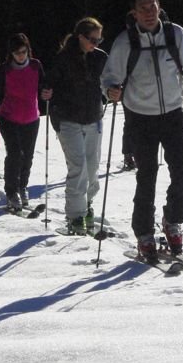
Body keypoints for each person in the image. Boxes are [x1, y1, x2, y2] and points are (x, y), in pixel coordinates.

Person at [101, 0, 183, 261]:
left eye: (152, 6)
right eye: (143, 8)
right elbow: (108, 79)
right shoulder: (125, 42)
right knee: (146, 175)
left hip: (174, 114)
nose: (149, 13)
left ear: (159, 6)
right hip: (140, 118)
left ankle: (172, 220)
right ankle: (143, 234)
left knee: (181, 173)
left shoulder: (176, 35)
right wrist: (110, 92)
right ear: (134, 13)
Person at [46, 17, 108, 235]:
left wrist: (113, 91)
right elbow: (49, 83)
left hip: (93, 118)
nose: (96, 44)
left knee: (92, 168)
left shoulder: (100, 58)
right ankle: (75, 216)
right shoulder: (63, 59)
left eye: (99, 40)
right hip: (68, 119)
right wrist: (45, 92)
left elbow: (109, 82)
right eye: (92, 39)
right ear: (80, 37)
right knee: (78, 167)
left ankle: (87, 205)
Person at [0, 33, 51, 211]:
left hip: (31, 118)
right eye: (17, 53)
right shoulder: (6, 69)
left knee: (28, 156)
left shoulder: (35, 65)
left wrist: (47, 92)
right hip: (9, 117)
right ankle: (11, 192)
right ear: (11, 53)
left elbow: (43, 85)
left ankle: (22, 186)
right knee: (15, 153)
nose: (21, 56)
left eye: (23, 52)